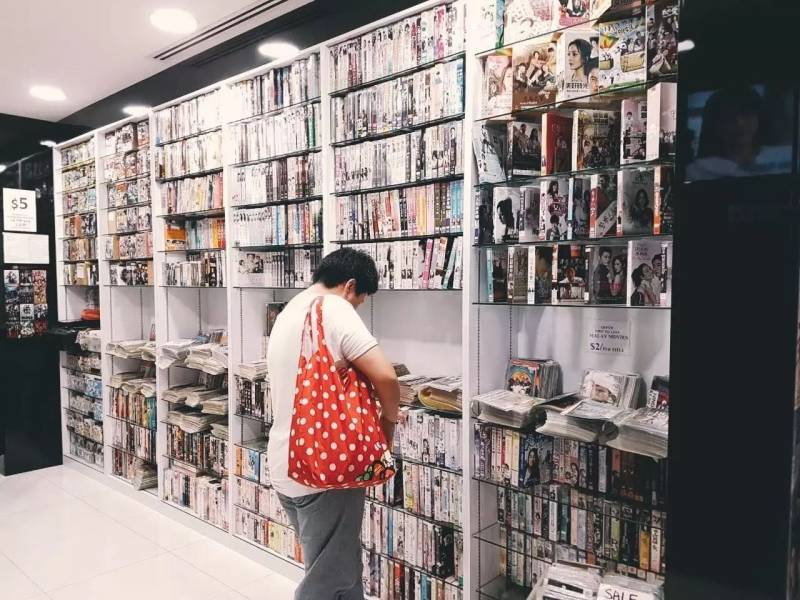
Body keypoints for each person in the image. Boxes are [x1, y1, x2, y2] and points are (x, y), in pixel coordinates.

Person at [266, 248, 400, 600]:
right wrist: (388, 421)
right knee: (328, 581)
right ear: (349, 285)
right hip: (325, 468)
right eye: (359, 301)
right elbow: (386, 377)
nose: (356, 309)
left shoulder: (289, 310)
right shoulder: (334, 308)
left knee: (340, 569)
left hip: (285, 462)